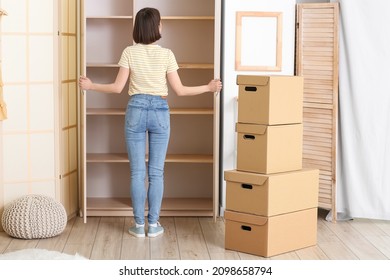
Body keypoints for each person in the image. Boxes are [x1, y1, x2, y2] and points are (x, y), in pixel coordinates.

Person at [79, 7, 222, 238]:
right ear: (157, 27)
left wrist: (91, 85)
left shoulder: (128, 52)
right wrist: (209, 87)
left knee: (136, 172)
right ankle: (153, 225)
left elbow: (116, 88)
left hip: (135, 109)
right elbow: (180, 91)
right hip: (159, 110)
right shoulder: (167, 54)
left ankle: (138, 226)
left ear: (137, 28)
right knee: (156, 172)